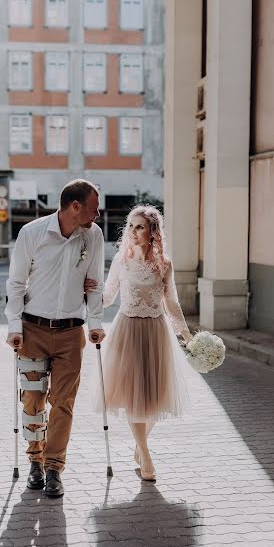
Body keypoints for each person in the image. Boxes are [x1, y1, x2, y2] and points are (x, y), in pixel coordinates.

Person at [6, 179, 105, 497]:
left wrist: (96, 321)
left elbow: (95, 282)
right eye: (94, 206)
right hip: (32, 330)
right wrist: (14, 327)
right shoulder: (32, 233)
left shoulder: (93, 235)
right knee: (33, 401)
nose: (98, 213)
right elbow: (16, 283)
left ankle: (53, 468)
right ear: (75, 206)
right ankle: (34, 461)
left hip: (70, 333)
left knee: (63, 403)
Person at [85, 205, 193, 482]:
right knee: (134, 396)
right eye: (131, 226)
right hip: (127, 330)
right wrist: (89, 292)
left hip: (156, 331)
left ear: (152, 232)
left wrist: (188, 336)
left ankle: (139, 444)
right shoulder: (121, 261)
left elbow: (172, 303)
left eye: (140, 227)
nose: (133, 232)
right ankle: (145, 454)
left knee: (154, 397)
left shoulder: (164, 264)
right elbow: (108, 297)